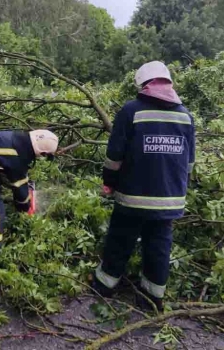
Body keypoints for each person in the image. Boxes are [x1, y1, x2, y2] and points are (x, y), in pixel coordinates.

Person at [93, 61, 196, 312]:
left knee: (120, 239)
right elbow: (189, 162)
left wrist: (109, 183)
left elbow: (115, 155)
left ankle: (105, 285)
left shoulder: (131, 111)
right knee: (159, 245)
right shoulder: (185, 116)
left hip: (133, 196)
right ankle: (152, 298)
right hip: (170, 199)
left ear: (143, 84)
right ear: (168, 83)